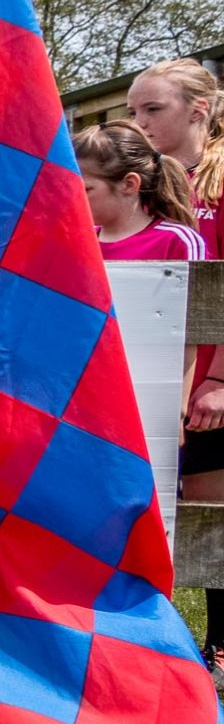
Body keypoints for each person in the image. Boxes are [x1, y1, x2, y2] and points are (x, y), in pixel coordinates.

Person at [125, 59, 224, 686]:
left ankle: (219, 647)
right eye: (133, 111)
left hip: (209, 384)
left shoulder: (218, 181)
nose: (140, 122)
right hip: (149, 377)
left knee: (212, 510)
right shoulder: (139, 179)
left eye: (152, 109)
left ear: (198, 110)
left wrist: (220, 381)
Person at [78, 121, 205, 261]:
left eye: (85, 190)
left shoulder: (177, 240)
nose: (74, 199)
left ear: (129, 184)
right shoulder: (79, 242)